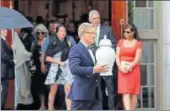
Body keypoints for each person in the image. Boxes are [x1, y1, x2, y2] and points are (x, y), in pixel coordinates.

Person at [68, 22, 109, 110]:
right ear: (83, 35)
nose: (94, 36)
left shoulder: (93, 49)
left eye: (95, 33)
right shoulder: (76, 49)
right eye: (92, 33)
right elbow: (74, 68)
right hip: (82, 94)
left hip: (96, 95)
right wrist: (94, 69)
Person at [88, 10, 117, 110]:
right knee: (98, 90)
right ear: (90, 20)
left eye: (98, 18)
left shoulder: (108, 29)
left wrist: (108, 56)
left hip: (107, 65)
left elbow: (114, 45)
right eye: (94, 18)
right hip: (94, 66)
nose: (96, 20)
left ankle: (112, 108)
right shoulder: (87, 31)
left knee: (110, 89)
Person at [44, 25, 76, 110]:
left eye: (64, 31)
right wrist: (59, 62)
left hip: (66, 68)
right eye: (61, 31)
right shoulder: (52, 41)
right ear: (57, 32)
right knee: (53, 90)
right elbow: (47, 58)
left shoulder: (68, 41)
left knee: (68, 89)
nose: (63, 33)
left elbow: (73, 53)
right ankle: (50, 108)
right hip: (55, 68)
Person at [116, 24, 143, 110]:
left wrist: (130, 66)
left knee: (134, 93)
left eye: (128, 32)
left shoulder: (138, 43)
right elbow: (117, 56)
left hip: (133, 69)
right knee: (125, 92)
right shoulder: (120, 42)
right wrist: (120, 67)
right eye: (124, 32)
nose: (125, 34)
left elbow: (137, 59)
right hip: (122, 70)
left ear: (133, 33)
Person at [31, 24, 49, 110]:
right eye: (38, 33)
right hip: (36, 68)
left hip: (45, 67)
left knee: (45, 87)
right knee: (38, 88)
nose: (40, 35)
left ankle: (45, 105)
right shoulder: (34, 43)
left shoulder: (47, 42)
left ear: (45, 33)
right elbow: (31, 55)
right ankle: (42, 104)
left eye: (42, 33)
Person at [1, 29, 14, 109]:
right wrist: (12, 60)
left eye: (6, 30)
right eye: (3, 30)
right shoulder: (1, 41)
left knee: (4, 91)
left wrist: (11, 49)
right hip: (2, 71)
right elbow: (3, 55)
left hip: (5, 71)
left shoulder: (4, 40)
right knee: (3, 92)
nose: (6, 31)